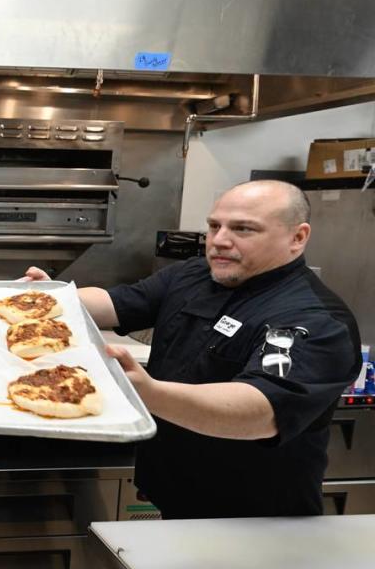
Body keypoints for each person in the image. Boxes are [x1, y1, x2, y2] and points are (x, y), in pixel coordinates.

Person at [22, 180, 360, 519]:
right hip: (173, 493)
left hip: (255, 515)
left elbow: (262, 409)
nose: (219, 241)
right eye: (215, 226)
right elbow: (114, 303)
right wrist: (52, 297)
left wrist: (147, 392)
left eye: (243, 229)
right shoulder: (194, 275)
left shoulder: (315, 319)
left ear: (297, 237)